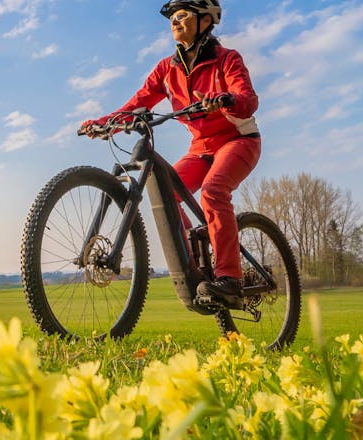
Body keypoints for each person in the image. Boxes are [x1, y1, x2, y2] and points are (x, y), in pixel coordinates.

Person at [81, 0, 260, 303]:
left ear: (205, 20)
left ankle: (230, 278)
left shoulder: (226, 59)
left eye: (182, 15)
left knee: (214, 190)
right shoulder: (167, 69)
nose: (174, 22)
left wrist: (226, 99)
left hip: (238, 140)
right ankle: (195, 262)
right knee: (167, 193)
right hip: (200, 149)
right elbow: (137, 104)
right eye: (172, 18)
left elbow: (248, 98)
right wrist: (105, 123)